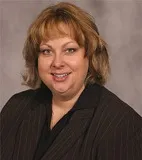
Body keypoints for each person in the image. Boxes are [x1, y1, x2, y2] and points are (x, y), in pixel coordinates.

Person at [1, 2, 142, 160]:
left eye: (70, 50)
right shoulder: (16, 107)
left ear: (90, 55)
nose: (57, 62)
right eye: (47, 51)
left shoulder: (122, 125)